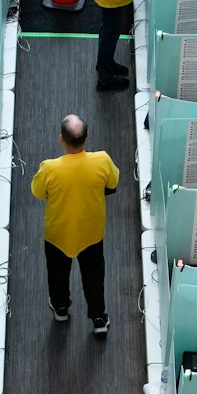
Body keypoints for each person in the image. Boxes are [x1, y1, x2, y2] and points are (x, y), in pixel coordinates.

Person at [31, 114, 120, 333]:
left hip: (58, 234)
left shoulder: (49, 168)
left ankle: (60, 308)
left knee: (57, 274)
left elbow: (38, 193)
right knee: (94, 276)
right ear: (87, 136)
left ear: (62, 139)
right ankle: (99, 318)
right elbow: (113, 183)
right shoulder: (102, 160)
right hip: (91, 233)